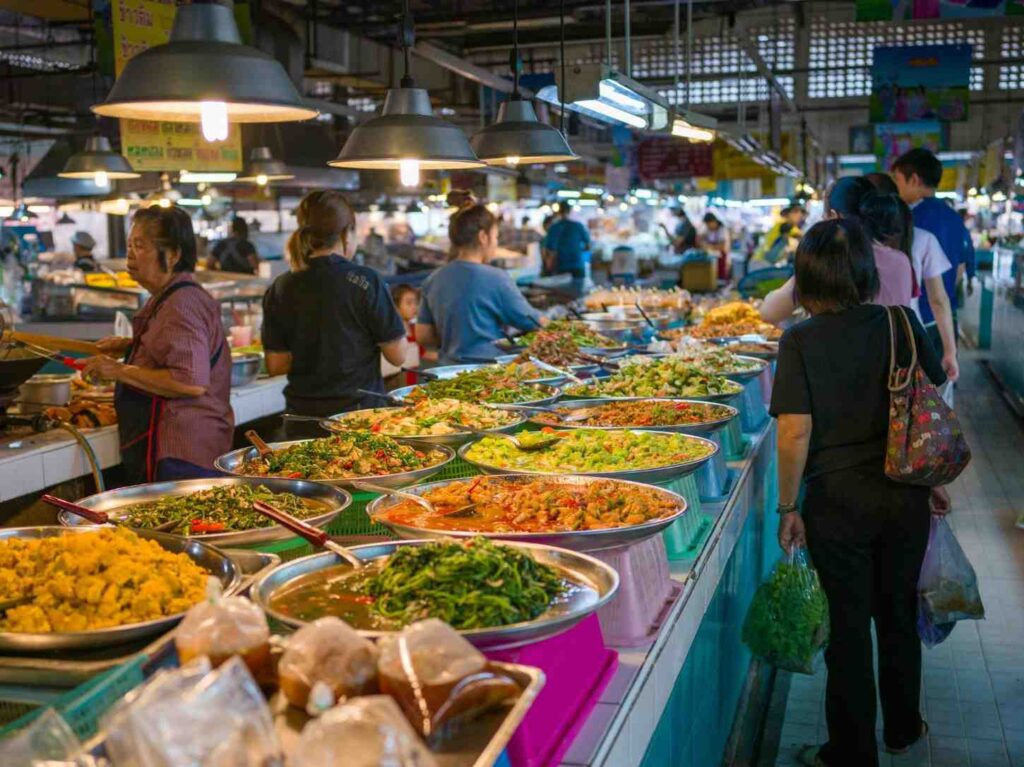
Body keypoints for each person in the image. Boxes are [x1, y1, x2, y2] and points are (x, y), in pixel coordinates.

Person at [771, 218, 950, 767]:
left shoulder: (799, 339)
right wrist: (935, 481)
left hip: (836, 504)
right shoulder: (900, 322)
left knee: (848, 629)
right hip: (904, 495)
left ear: (806, 279)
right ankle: (901, 728)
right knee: (897, 615)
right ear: (867, 273)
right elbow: (930, 399)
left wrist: (786, 507)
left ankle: (851, 750)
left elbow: (795, 431)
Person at [83, 206, 233, 483]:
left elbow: (190, 381)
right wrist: (131, 346)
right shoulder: (168, 295)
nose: (130, 254)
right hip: (181, 448)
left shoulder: (182, 304)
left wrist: (117, 370)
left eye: (140, 245)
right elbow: (174, 348)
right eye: (129, 245)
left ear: (174, 254)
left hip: (184, 452)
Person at [262, 190, 407, 438]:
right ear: (345, 234)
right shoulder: (366, 281)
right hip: (358, 421)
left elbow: (276, 364)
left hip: (302, 422)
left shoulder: (281, 286)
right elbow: (398, 355)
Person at [760, 178, 914, 323]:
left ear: (834, 217)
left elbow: (769, 312)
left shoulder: (828, 260)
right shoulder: (901, 261)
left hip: (845, 351)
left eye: (824, 216)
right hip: (895, 351)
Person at [417, 198, 545, 364]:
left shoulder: (432, 279)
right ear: (483, 237)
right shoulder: (496, 278)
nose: (496, 243)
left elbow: (423, 336)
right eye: (496, 237)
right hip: (489, 374)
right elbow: (532, 321)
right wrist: (559, 327)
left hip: (448, 371)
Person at [864, 172, 958, 382]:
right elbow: (939, 300)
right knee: (906, 407)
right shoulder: (924, 239)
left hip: (863, 344)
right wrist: (950, 351)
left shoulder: (852, 244)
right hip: (909, 342)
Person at [891, 148, 975, 355]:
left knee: (917, 385)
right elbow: (960, 270)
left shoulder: (906, 220)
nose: (897, 188)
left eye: (899, 180)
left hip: (917, 321)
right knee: (943, 380)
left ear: (914, 180)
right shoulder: (955, 218)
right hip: (947, 319)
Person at [387, 284, 435, 386]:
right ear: (396, 306)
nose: (414, 307)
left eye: (416, 303)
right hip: (396, 380)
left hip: (412, 379)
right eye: (409, 303)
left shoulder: (414, 328)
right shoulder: (390, 332)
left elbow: (423, 353)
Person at [542, 205, 591, 295]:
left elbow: (549, 250)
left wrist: (547, 267)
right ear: (569, 212)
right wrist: (577, 250)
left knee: (561, 296)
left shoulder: (554, 228)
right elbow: (588, 246)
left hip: (560, 266)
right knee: (578, 296)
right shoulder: (578, 226)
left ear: (558, 212)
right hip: (577, 265)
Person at [699, 212, 731, 281]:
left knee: (721, 276)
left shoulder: (722, 230)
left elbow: (722, 246)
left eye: (709, 224)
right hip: (712, 257)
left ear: (713, 221)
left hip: (722, 257)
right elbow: (701, 239)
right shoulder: (708, 230)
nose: (708, 226)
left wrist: (709, 246)